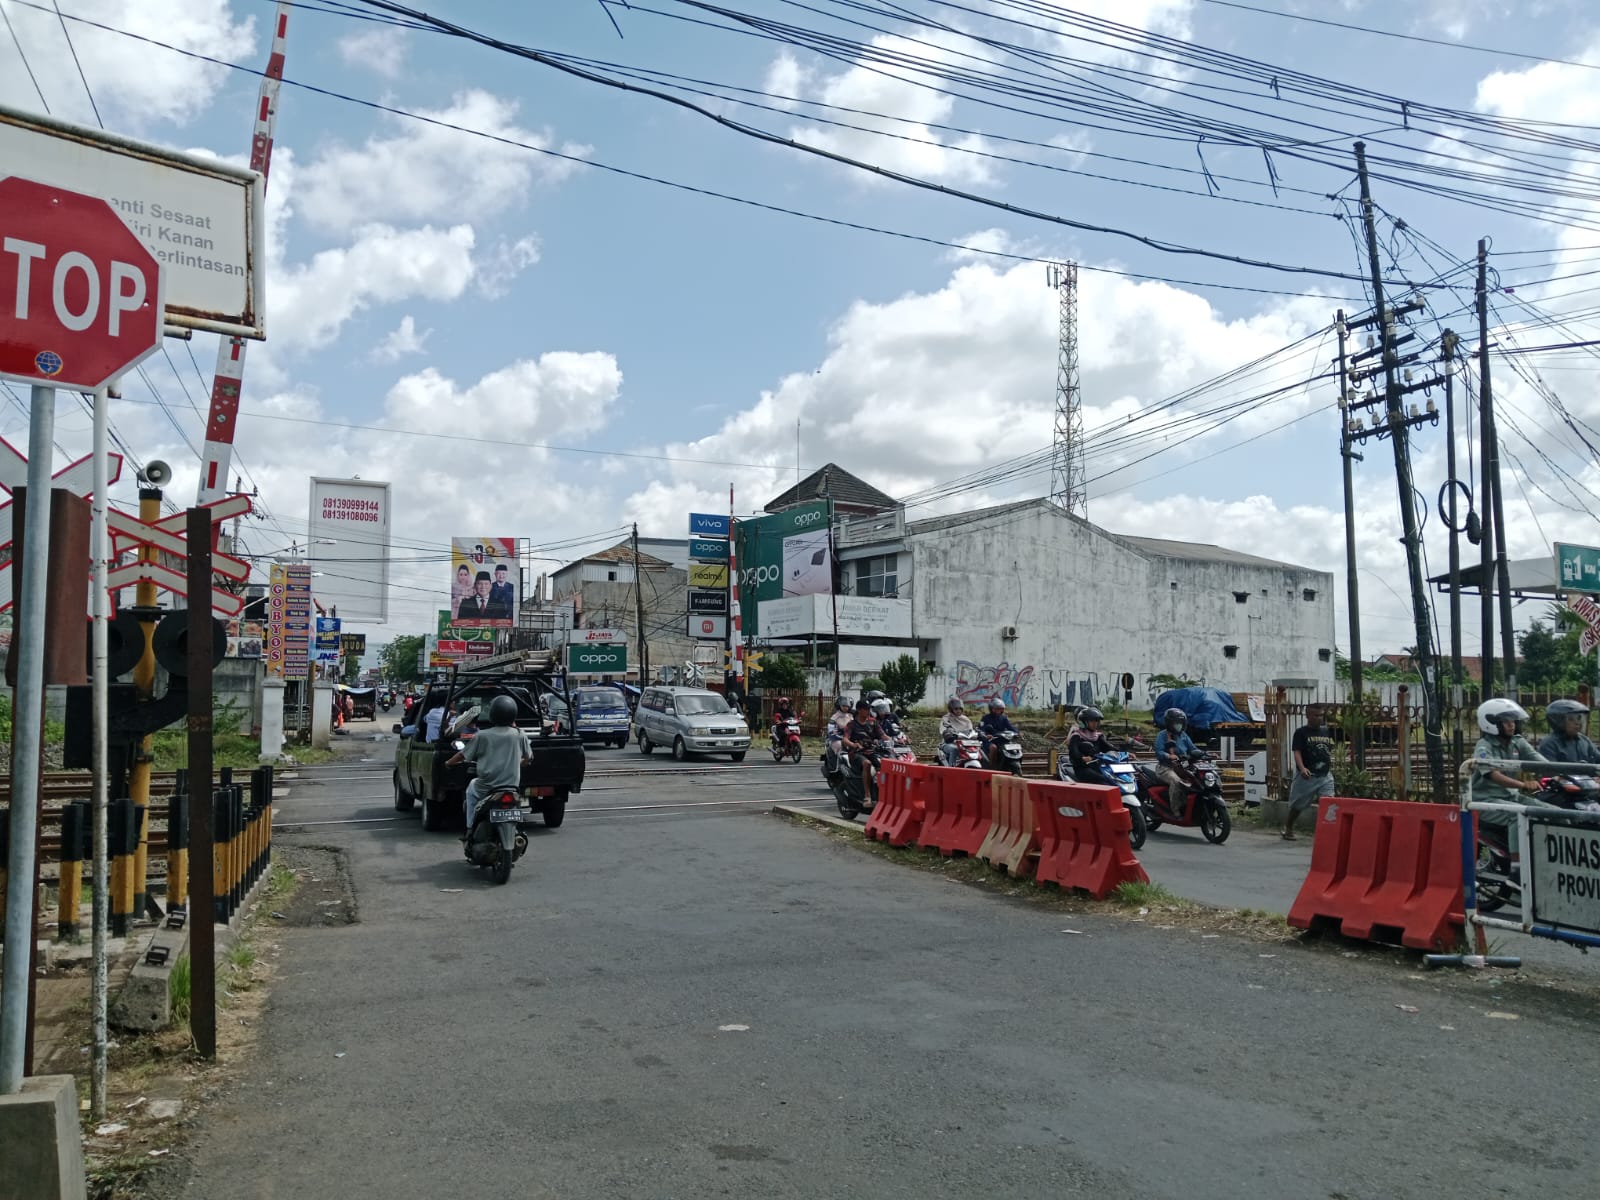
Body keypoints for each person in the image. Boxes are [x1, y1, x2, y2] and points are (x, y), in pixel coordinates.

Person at [1472, 698, 1549, 854]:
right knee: (1518, 815)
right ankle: (1516, 869)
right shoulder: (1484, 746)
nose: (1511, 724)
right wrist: (1523, 785)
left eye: (1513, 720)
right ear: (1492, 723)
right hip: (1485, 800)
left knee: (1553, 813)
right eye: (1505, 721)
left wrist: (1563, 774)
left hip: (1511, 797)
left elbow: (1541, 762)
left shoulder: (1517, 742)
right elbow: (1493, 775)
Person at [446, 695, 531, 834]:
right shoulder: (520, 734)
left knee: (471, 790)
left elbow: (462, 755)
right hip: (512, 786)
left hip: (486, 786)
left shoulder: (482, 735)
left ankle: (469, 828)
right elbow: (528, 758)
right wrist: (520, 763)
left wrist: (448, 763)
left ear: (493, 714)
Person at [1282, 705, 1335, 839]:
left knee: (1329, 802)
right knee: (1297, 805)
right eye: (1316, 715)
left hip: (1324, 775)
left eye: (1321, 715)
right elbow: (1297, 751)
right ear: (1308, 716)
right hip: (1307, 776)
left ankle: (1326, 833)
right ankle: (1288, 827)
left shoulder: (1325, 731)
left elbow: (1328, 749)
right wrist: (1302, 768)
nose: (1319, 718)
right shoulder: (1301, 732)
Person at [1152, 709, 1200, 810]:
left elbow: (1193, 749)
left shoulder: (1183, 735)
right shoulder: (1162, 735)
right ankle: (1176, 809)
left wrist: (1205, 754)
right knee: (1176, 781)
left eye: (1181, 723)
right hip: (1166, 768)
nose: (1179, 725)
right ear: (1170, 723)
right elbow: (1158, 752)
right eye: (1177, 723)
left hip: (1183, 767)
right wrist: (1168, 756)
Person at [1536, 699, 1600, 768]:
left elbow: (1597, 759)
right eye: (1571, 719)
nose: (1577, 723)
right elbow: (1550, 771)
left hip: (1588, 778)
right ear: (1559, 721)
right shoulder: (1549, 744)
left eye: (1579, 718)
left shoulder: (1584, 740)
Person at [842, 699, 883, 795]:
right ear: (859, 710)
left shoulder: (873, 722)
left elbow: (883, 735)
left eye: (869, 709)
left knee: (885, 764)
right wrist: (853, 745)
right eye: (866, 709)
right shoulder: (851, 724)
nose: (868, 711)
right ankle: (867, 794)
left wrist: (898, 740)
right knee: (867, 763)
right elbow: (845, 739)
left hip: (872, 751)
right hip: (856, 753)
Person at [1067, 706, 1115, 782]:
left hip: (1098, 766)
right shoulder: (1076, 736)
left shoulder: (1099, 736)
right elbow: (1073, 751)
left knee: (1115, 777)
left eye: (1096, 721)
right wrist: (1082, 758)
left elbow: (1108, 747)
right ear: (1084, 722)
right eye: (1092, 721)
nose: (1095, 723)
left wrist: (1125, 753)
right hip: (1083, 768)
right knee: (1103, 779)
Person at [979, 698, 1018, 768]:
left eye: (1000, 709)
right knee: (993, 747)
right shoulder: (985, 718)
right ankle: (990, 766)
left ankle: (1008, 763)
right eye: (996, 709)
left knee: (1011, 746)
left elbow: (1010, 727)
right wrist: (985, 735)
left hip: (1001, 740)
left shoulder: (1003, 718)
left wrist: (1017, 733)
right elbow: (981, 729)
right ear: (991, 709)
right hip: (990, 740)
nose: (998, 711)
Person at [939, 697, 973, 766]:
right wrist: (948, 734)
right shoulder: (946, 718)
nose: (958, 710)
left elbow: (971, 730)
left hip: (965, 743)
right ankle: (952, 769)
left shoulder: (966, 719)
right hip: (949, 743)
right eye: (956, 709)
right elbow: (943, 730)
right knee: (954, 749)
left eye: (960, 708)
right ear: (951, 709)